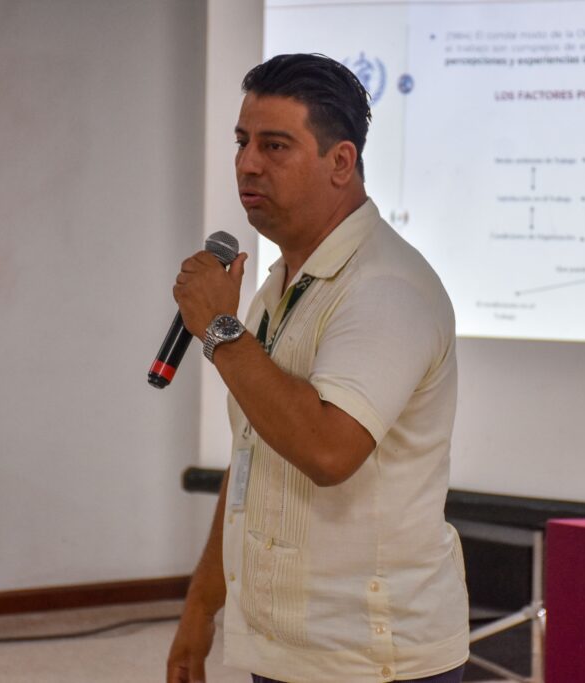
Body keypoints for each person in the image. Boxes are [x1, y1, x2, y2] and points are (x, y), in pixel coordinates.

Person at [166, 53, 468, 683]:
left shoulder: (386, 287)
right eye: (242, 142)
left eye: (275, 146)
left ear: (341, 162)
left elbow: (329, 451)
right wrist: (201, 605)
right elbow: (253, 454)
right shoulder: (278, 284)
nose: (248, 164)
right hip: (290, 649)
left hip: (373, 660)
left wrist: (220, 329)